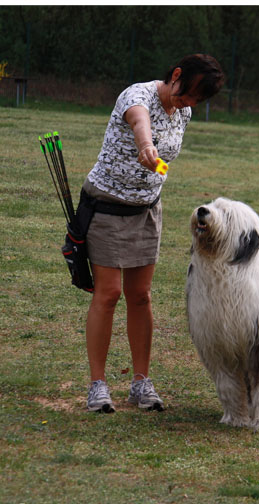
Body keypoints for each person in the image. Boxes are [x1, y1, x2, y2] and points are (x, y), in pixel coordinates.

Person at [82, 54, 225, 413]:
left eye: (197, 100)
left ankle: (140, 382)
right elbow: (140, 122)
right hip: (108, 206)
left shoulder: (185, 112)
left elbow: (166, 150)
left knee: (141, 295)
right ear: (176, 75)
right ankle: (97, 385)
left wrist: (156, 160)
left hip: (146, 211)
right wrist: (145, 145)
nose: (189, 103)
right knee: (109, 293)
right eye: (187, 93)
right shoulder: (137, 96)